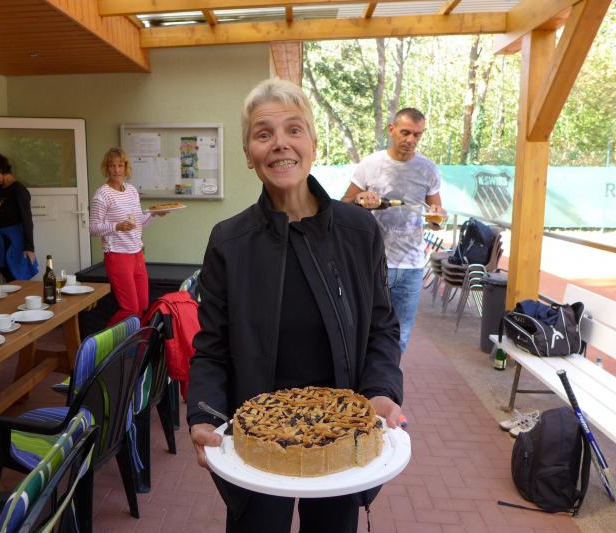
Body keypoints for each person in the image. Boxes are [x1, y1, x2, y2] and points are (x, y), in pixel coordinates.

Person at [187, 78, 404, 533]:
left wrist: (381, 391)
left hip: (341, 433)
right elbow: (211, 347)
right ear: (249, 154)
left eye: (294, 129)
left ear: (313, 144)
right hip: (258, 438)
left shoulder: (359, 232)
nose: (280, 143)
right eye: (263, 134)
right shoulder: (229, 242)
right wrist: (205, 415)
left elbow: (381, 327)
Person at [342, 108, 445, 355]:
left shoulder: (428, 169)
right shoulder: (370, 164)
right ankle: (361, 378)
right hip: (373, 262)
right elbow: (344, 205)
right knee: (365, 329)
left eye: (417, 135)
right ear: (391, 130)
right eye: (405, 132)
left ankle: (388, 379)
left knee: (400, 335)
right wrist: (361, 199)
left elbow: (436, 219)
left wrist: (438, 217)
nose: (410, 140)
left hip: (411, 267)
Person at [89, 147, 166, 325]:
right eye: (112, 165)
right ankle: (105, 339)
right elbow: (93, 229)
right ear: (106, 168)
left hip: (137, 253)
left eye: (120, 165)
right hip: (117, 255)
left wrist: (154, 214)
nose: (116, 170)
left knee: (143, 305)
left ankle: (133, 341)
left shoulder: (131, 190)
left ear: (126, 167)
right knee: (130, 309)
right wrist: (117, 226)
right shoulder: (101, 195)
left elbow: (138, 222)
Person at [0, 152, 37, 282]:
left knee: (17, 276)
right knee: (8, 276)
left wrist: (29, 247)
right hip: (2, 241)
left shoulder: (19, 190)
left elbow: (27, 219)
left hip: (16, 240)